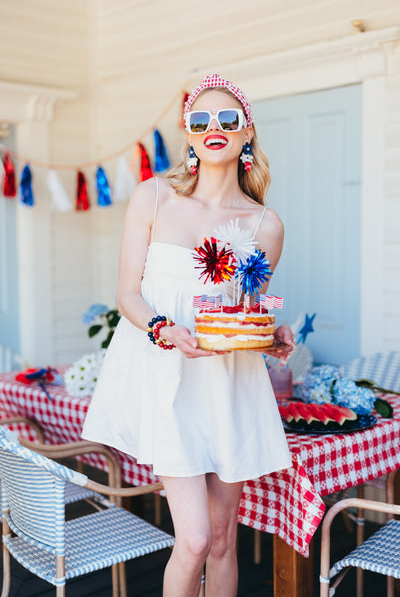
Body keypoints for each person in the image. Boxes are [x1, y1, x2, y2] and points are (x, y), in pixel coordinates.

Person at [82, 73, 294, 597]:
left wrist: (272, 334)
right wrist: (163, 329)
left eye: (228, 119)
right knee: (195, 538)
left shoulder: (265, 224)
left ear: (247, 135)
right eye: (200, 120)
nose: (213, 128)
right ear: (190, 136)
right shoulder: (154, 197)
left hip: (229, 388)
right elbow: (128, 294)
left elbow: (243, 312)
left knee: (223, 541)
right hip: (169, 380)